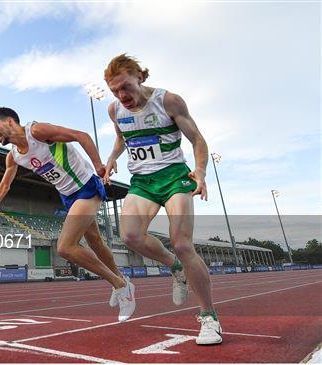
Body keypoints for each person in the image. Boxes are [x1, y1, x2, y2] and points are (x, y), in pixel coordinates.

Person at [0, 107, 135, 322]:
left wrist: (98, 166)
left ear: (10, 121)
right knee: (95, 241)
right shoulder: (13, 157)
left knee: (66, 247)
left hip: (86, 186)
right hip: (68, 196)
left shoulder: (37, 132)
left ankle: (120, 286)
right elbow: (4, 186)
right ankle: (122, 280)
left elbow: (81, 136)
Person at [102, 54, 222, 344]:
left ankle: (209, 318)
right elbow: (122, 137)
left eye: (126, 87)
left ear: (140, 78)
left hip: (174, 177)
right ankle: (175, 267)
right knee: (130, 236)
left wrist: (201, 172)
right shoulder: (115, 110)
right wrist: (112, 157)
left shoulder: (169, 101)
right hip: (142, 181)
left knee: (182, 243)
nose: (122, 95)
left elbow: (197, 140)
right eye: (115, 90)